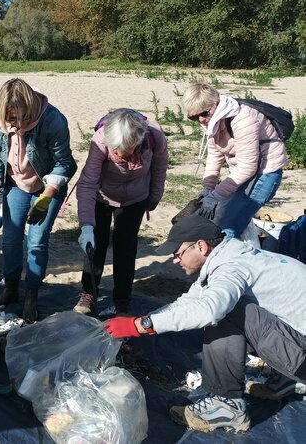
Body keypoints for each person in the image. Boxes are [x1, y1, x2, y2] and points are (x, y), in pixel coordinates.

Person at [104, 214, 306, 433]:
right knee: (225, 308)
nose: (175, 260)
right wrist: (140, 323)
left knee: (226, 312)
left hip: (301, 355)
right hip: (297, 340)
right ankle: (284, 380)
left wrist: (142, 324)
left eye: (178, 253)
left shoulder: (231, 267)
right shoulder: (231, 254)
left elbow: (210, 310)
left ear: (201, 246)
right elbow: (190, 301)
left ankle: (227, 405)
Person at [0, 78, 76, 323]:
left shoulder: (52, 120)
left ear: (30, 108)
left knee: (37, 241)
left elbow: (65, 163)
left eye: (21, 118)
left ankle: (32, 293)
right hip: (16, 184)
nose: (16, 124)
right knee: (12, 239)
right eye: (11, 119)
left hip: (46, 187)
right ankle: (11, 289)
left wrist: (47, 196)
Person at [74, 109, 168, 315]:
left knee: (126, 248)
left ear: (136, 143)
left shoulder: (154, 137)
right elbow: (87, 184)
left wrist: (153, 198)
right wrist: (87, 227)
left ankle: (123, 298)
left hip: (135, 198)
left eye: (122, 151)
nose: (117, 154)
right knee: (95, 246)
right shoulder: (100, 141)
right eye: (114, 150)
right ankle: (88, 293)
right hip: (102, 196)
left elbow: (160, 169)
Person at [183, 82, 287, 239]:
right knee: (223, 215)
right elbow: (214, 155)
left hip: (264, 171)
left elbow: (247, 168)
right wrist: (207, 188)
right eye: (194, 117)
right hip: (241, 171)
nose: (201, 120)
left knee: (230, 224)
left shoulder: (243, 119)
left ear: (215, 104)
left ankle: (232, 259)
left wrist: (216, 195)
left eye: (204, 114)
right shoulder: (211, 120)